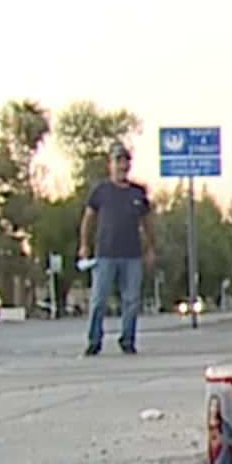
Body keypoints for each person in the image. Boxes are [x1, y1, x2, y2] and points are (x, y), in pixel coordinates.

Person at [77, 142, 153, 356]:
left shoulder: (137, 193)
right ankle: (94, 341)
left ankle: (127, 340)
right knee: (98, 299)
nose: (122, 166)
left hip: (132, 255)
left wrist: (150, 249)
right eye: (117, 161)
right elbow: (88, 220)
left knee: (131, 300)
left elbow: (147, 223)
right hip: (105, 254)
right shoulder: (101, 191)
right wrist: (84, 244)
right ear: (110, 165)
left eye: (125, 161)